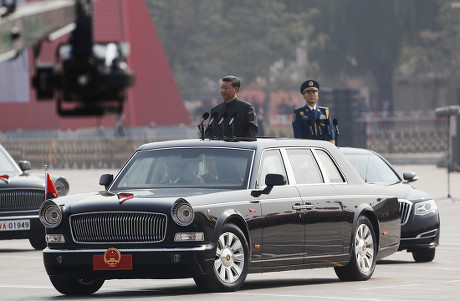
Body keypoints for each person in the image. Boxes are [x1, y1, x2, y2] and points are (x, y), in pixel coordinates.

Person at [292, 80, 335, 144]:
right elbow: (298, 134)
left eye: (314, 92)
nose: (311, 94)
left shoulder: (324, 112)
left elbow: (331, 134)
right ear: (304, 96)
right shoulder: (299, 113)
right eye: (309, 93)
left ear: (317, 95)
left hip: (322, 149)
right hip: (307, 149)